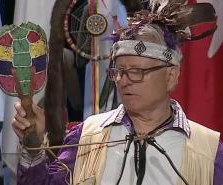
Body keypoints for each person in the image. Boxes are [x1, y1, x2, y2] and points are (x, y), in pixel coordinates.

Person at [12, 2, 223, 185]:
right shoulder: (87, 136)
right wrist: (33, 149)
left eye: (138, 71)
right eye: (119, 71)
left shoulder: (209, 151)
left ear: (171, 76)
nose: (123, 80)